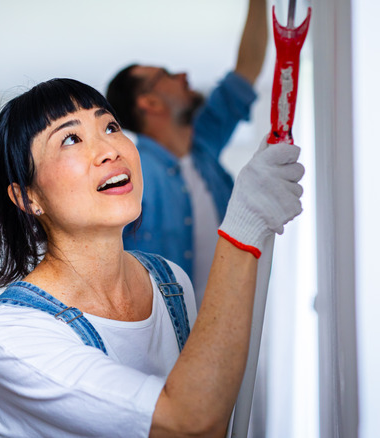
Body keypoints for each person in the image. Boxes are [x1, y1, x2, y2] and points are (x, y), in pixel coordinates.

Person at [0, 77, 303, 437]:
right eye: (70, 139)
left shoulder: (170, 282)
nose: (109, 150)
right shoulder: (14, 336)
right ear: (28, 198)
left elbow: (210, 405)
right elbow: (188, 423)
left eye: (110, 126)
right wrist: (243, 226)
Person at [106, 0, 268, 307]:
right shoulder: (130, 175)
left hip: (229, 322)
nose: (182, 74)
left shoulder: (203, 144)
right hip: (169, 333)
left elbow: (246, 70)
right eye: (166, 75)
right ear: (150, 103)